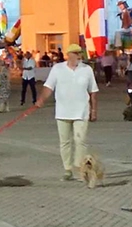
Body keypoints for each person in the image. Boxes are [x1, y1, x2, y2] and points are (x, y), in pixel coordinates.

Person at [35, 44, 99, 182]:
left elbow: (93, 91)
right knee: (65, 142)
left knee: (80, 140)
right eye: (76, 53)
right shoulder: (58, 69)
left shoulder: (86, 70)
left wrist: (93, 110)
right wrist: (41, 99)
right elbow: (48, 86)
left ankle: (79, 168)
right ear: (69, 55)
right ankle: (67, 169)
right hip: (63, 111)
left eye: (79, 53)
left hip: (81, 111)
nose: (79, 56)